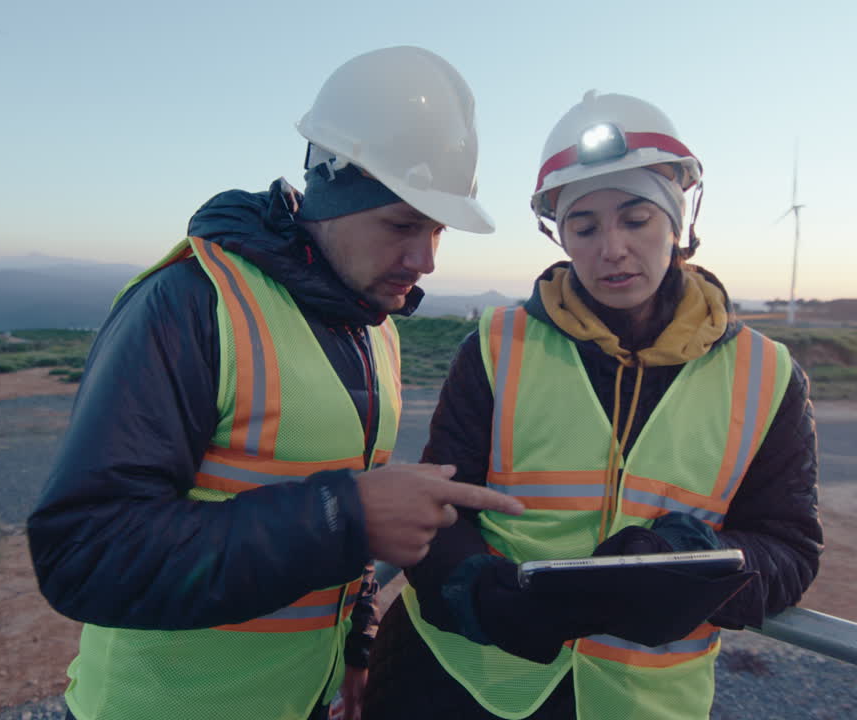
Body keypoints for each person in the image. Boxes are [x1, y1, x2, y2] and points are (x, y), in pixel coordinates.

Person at [26, 46, 525, 720]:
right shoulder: (192, 303)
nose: (425, 259)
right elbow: (83, 553)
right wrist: (345, 516)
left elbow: (342, 530)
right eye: (403, 224)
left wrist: (356, 639)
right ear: (333, 194)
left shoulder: (374, 330)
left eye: (436, 230)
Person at [361, 91, 824, 719]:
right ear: (560, 235)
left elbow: (790, 551)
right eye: (585, 227)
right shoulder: (496, 346)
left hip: (639, 703)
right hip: (458, 680)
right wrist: (477, 592)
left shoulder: (768, 375)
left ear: (678, 221)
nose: (611, 248)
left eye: (636, 219)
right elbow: (440, 506)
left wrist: (689, 565)